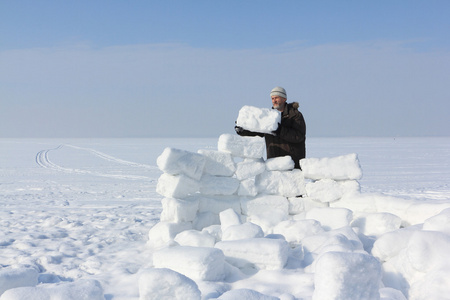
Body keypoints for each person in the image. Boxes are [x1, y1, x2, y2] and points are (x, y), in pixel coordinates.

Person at [235, 86, 306, 169]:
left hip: (292, 162)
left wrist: (279, 130)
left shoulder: (295, 115)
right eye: (272, 98)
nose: (274, 101)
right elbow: (258, 130)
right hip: (274, 162)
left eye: (276, 98)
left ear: (284, 99)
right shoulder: (269, 116)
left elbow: (299, 136)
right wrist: (243, 130)